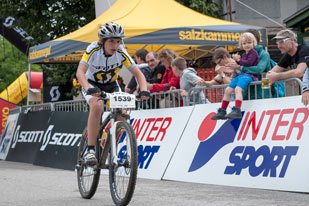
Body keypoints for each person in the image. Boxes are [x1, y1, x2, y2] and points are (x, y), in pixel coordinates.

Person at [76, 22, 149, 165]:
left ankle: (107, 143)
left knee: (122, 114)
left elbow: (139, 74)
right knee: (97, 106)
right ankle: (90, 150)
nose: (114, 45)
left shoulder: (121, 52)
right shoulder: (93, 49)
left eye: (117, 41)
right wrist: (88, 88)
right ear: (102, 41)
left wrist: (144, 89)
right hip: (92, 83)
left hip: (111, 85)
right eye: (111, 41)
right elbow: (80, 72)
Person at [211, 32, 259, 120]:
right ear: (241, 45)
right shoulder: (244, 55)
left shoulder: (253, 53)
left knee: (238, 89)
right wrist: (236, 61)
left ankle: (237, 109)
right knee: (228, 90)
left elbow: (249, 63)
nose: (247, 45)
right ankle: (222, 110)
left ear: (253, 43)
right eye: (244, 43)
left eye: (249, 43)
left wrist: (238, 61)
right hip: (242, 75)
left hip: (250, 75)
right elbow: (239, 66)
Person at [226, 29, 272, 100]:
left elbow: (258, 70)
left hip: (263, 89)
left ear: (254, 41)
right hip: (249, 90)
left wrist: (239, 67)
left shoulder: (264, 54)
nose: (246, 44)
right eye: (244, 42)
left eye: (248, 41)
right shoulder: (246, 54)